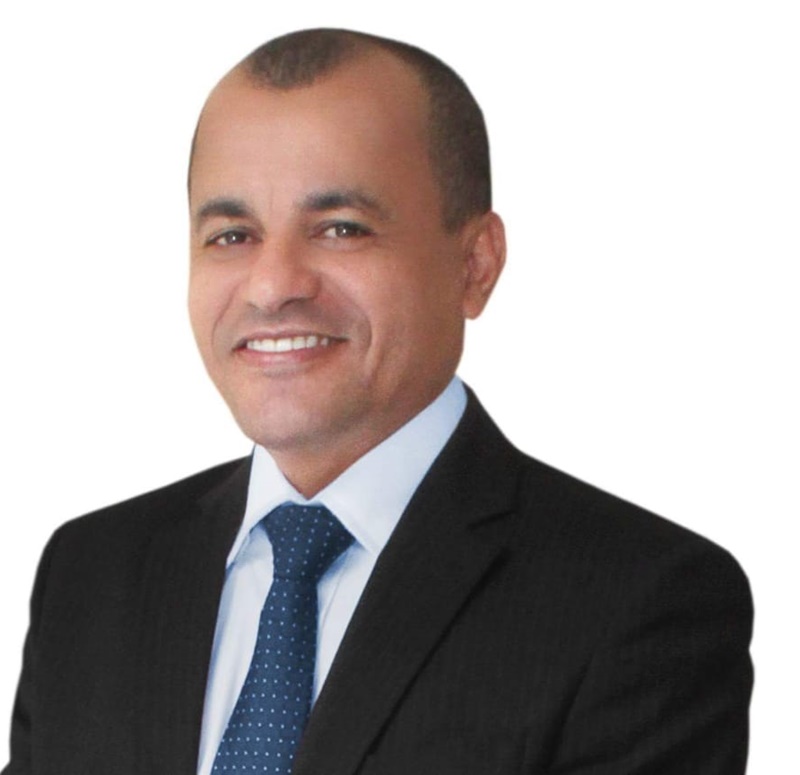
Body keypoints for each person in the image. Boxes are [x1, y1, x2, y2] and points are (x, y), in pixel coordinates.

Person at [2, 28, 752, 775]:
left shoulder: (639, 602)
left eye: (341, 229)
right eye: (232, 235)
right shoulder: (90, 574)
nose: (273, 285)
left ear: (475, 265)